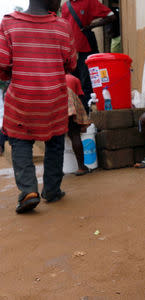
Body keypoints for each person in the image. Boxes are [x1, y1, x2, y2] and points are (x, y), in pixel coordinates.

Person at [0, 0, 77, 213]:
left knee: (21, 143)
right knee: (55, 142)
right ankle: (52, 190)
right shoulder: (62, 27)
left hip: (22, 100)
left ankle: (29, 191)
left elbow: (3, 64)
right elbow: (71, 62)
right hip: (53, 99)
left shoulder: (9, 24)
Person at [61, 0, 116, 111]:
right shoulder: (65, 6)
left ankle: (90, 114)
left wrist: (92, 26)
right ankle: (78, 115)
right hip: (70, 52)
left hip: (86, 50)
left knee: (88, 84)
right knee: (73, 84)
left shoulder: (89, 2)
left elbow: (112, 16)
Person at [66, 74, 91, 176]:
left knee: (55, 140)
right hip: (70, 109)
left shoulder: (50, 78)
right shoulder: (74, 78)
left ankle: (57, 170)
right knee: (75, 134)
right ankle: (81, 167)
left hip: (55, 109)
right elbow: (80, 97)